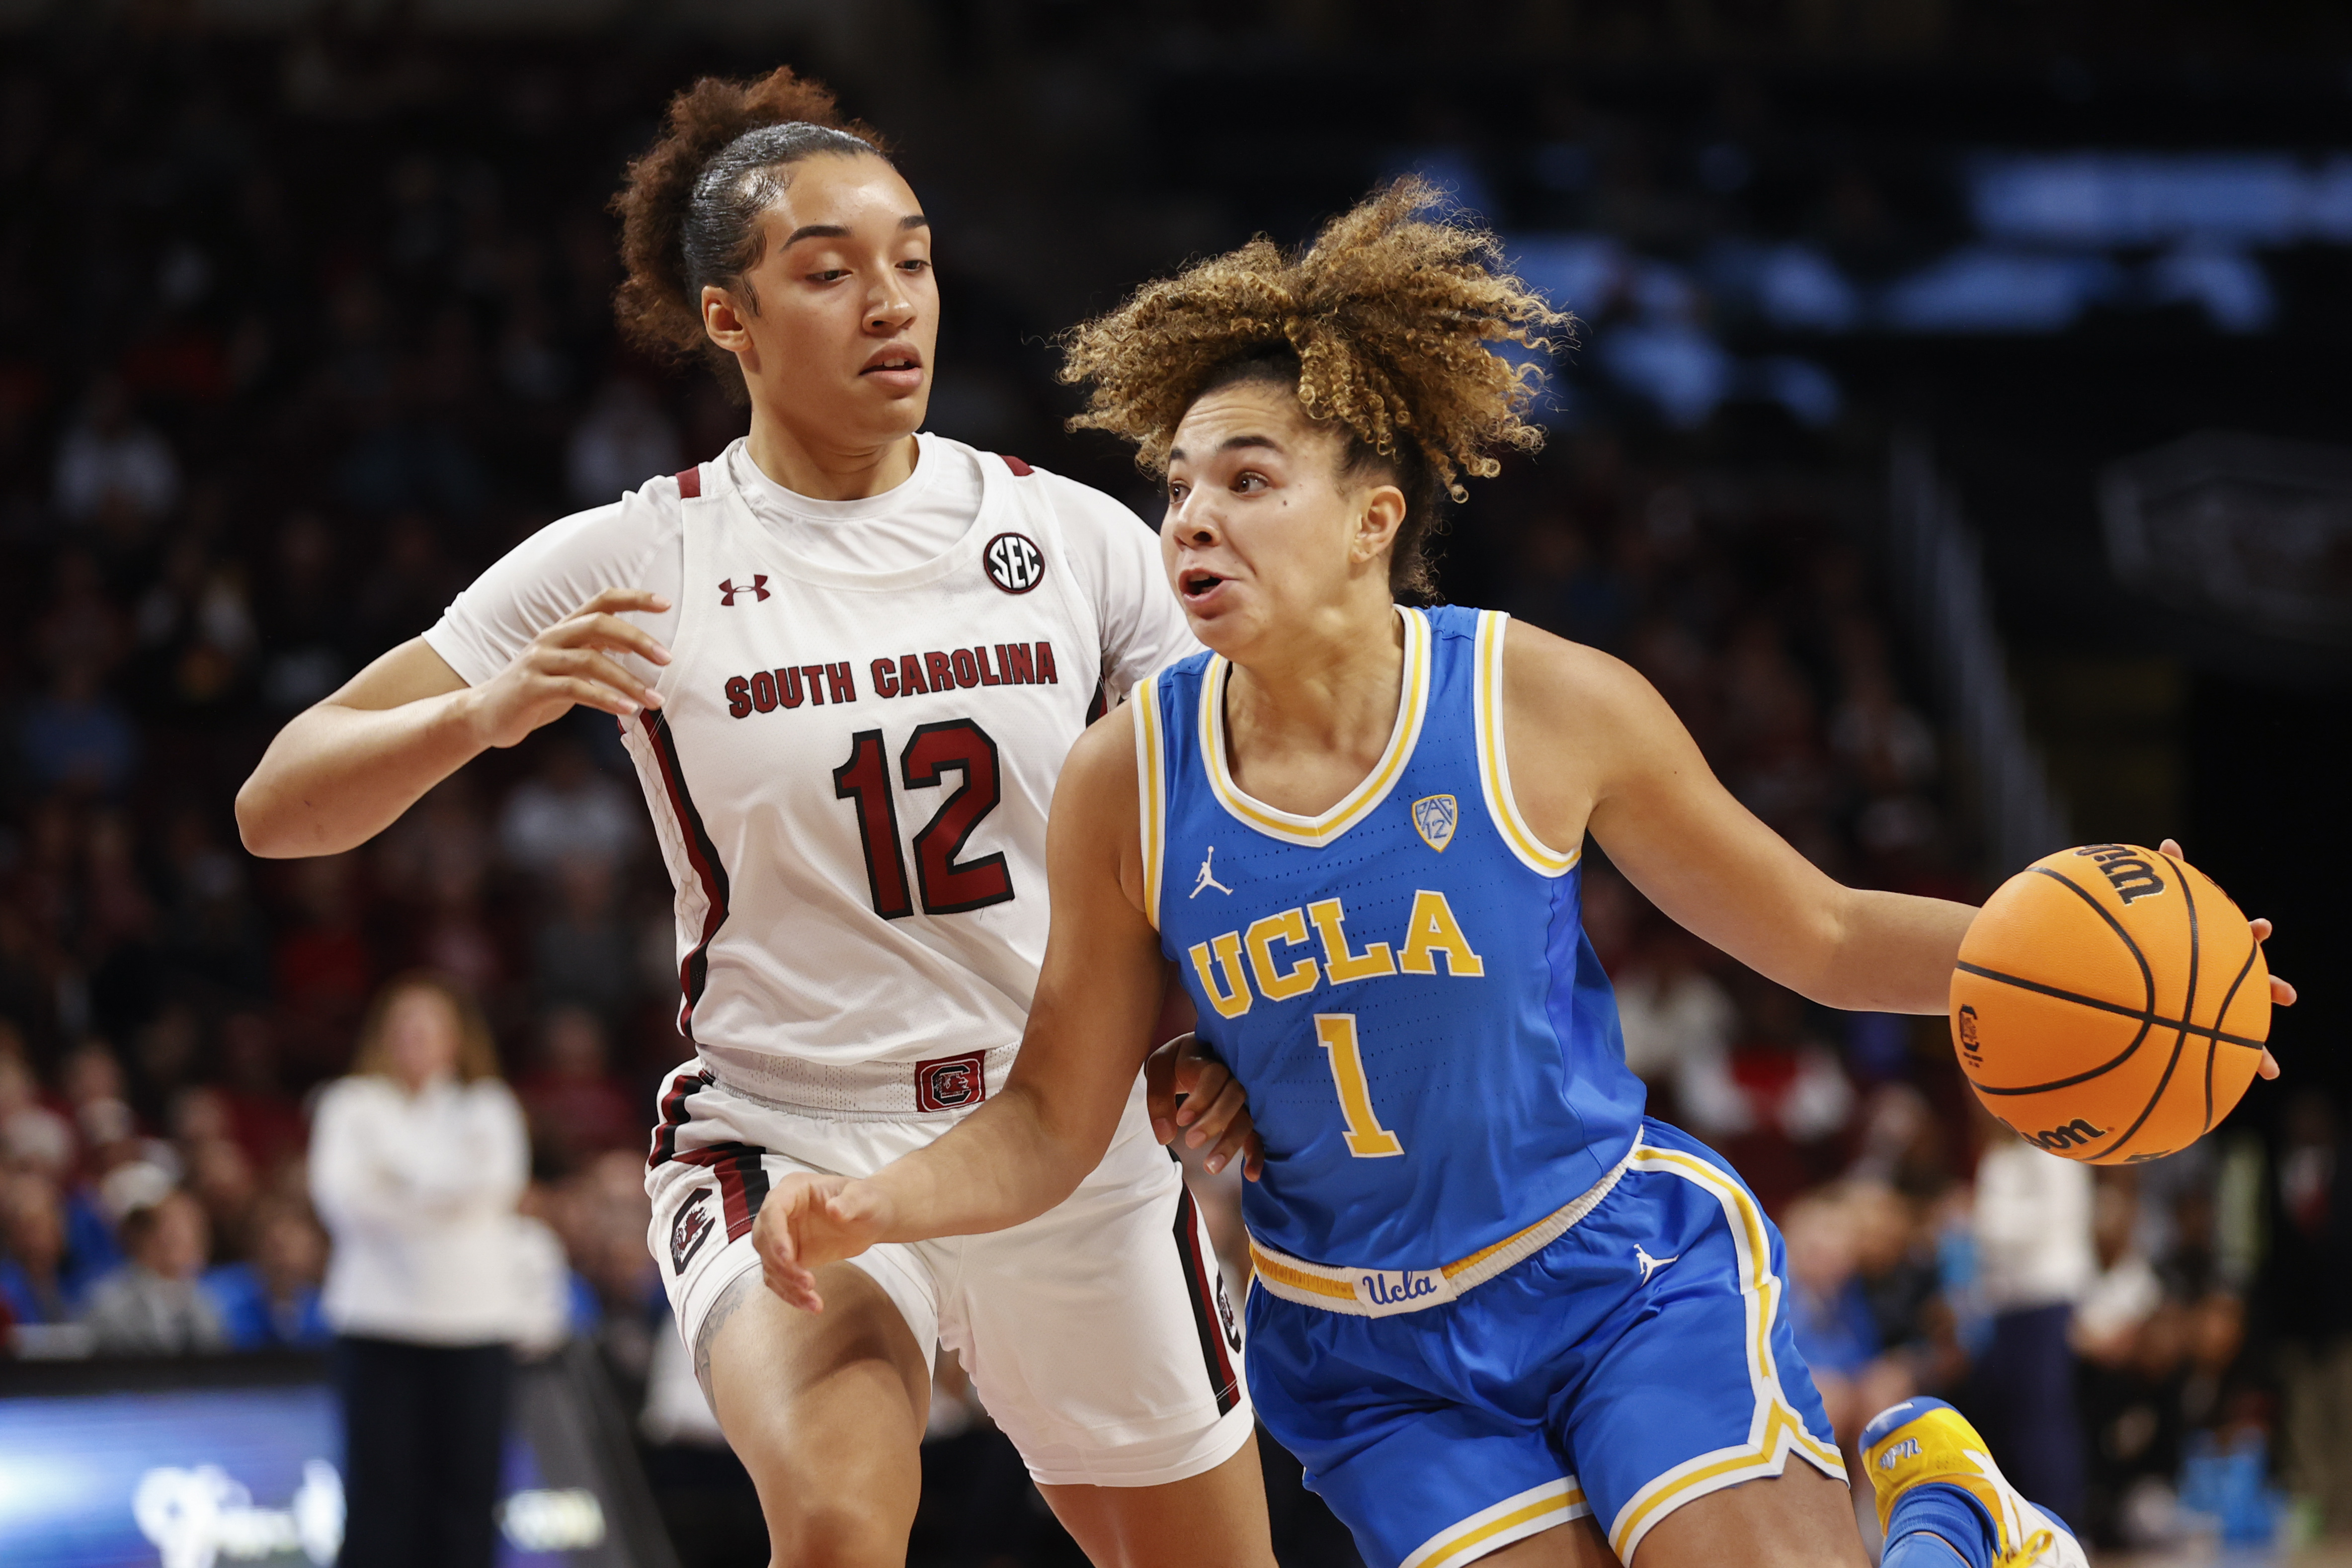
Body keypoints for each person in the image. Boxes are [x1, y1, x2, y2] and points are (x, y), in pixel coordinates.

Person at [750, 181, 2293, 1568]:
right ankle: (1950, 1525)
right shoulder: (1124, 776)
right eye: (1176, 488)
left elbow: (1818, 932)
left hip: (1613, 1268)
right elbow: (1047, 1115)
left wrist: (2079, 951)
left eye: (1246, 480)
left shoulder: (1535, 704)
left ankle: (1949, 1507)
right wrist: (869, 1200)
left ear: (1371, 520)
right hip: (1368, 1356)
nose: (1191, 519)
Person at [235, 65, 1273, 1568]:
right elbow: (280, 803)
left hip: (1061, 1128)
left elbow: (1234, 822)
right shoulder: (641, 553)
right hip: (792, 1133)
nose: (891, 302)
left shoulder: (1071, 537)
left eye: (913, 260)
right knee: (842, 1518)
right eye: (829, 271)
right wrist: (477, 713)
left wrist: (1222, 1030)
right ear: (728, 316)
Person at [309, 973, 535, 1568]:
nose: (415, 1036)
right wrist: (448, 1189)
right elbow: (342, 1200)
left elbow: (497, 1186)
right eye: (403, 1024)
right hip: (375, 1323)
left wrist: (394, 1174)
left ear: (456, 1036)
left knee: (467, 1501)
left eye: (429, 1024)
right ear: (383, 1034)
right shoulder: (349, 1103)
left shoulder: (489, 1105)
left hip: (475, 1325)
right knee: (378, 1500)